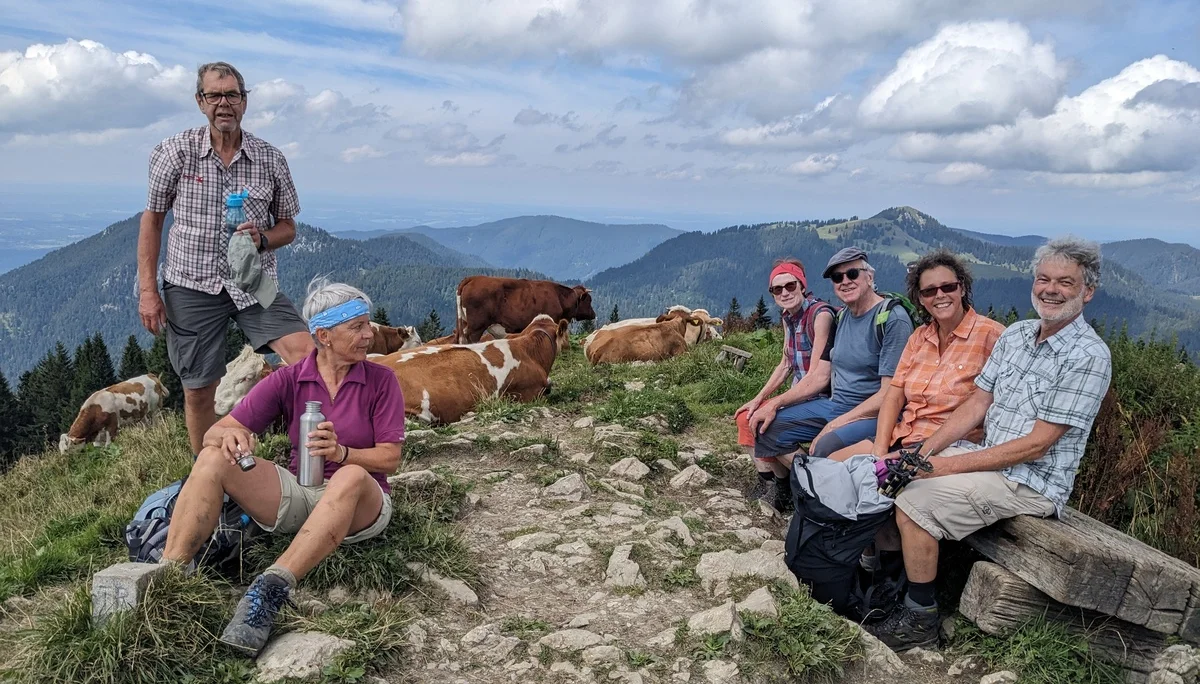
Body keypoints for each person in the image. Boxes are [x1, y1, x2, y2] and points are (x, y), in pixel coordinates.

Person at [868, 236, 1112, 651]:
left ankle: (921, 616)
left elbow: (1036, 446)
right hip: (988, 462)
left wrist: (941, 467)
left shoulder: (1088, 356)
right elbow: (978, 402)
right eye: (1043, 279)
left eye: (1065, 283)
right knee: (890, 476)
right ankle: (891, 585)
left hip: (1030, 481)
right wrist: (924, 451)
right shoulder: (1017, 335)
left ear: (1087, 292)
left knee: (914, 501)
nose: (1051, 289)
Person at [159, 278, 405, 656]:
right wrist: (227, 438)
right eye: (356, 327)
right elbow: (218, 430)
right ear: (323, 335)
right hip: (301, 491)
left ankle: (271, 588)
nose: (369, 334)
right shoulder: (291, 378)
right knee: (212, 458)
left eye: (367, 324)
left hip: (360, 504)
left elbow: (390, 457)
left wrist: (342, 454)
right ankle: (169, 575)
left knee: (352, 475)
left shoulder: (381, 380)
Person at [137, 61, 314, 457]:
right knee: (200, 388)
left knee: (306, 357)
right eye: (214, 95)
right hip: (190, 285)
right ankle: (208, 472)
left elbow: (288, 225)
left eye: (232, 94)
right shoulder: (174, 152)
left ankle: (309, 452)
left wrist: (264, 239)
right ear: (200, 102)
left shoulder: (270, 158)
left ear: (244, 102)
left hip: (254, 283)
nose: (224, 103)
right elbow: (152, 222)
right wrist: (148, 291)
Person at [827, 250, 1005, 462]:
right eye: (929, 291)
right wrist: (879, 452)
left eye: (948, 287)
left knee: (855, 481)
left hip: (948, 447)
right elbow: (894, 395)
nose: (940, 295)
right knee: (827, 464)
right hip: (904, 435)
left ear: (962, 288)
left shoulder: (993, 337)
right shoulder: (919, 338)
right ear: (920, 298)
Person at [748, 247, 913, 472]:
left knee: (825, 446)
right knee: (766, 427)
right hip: (836, 404)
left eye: (852, 274)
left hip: (873, 412)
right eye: (837, 277)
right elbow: (814, 372)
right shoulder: (843, 316)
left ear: (870, 277)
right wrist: (772, 404)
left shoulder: (891, 320)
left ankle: (813, 488)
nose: (845, 281)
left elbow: (889, 394)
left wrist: (836, 423)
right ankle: (803, 485)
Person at [736, 259, 836, 511]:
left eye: (790, 285)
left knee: (765, 424)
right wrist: (758, 399)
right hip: (799, 394)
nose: (784, 293)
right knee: (745, 417)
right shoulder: (788, 317)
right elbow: (784, 364)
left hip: (820, 396)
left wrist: (776, 404)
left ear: (802, 285)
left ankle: (814, 484)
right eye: (777, 289)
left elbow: (817, 377)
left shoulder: (820, 316)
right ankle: (774, 483)